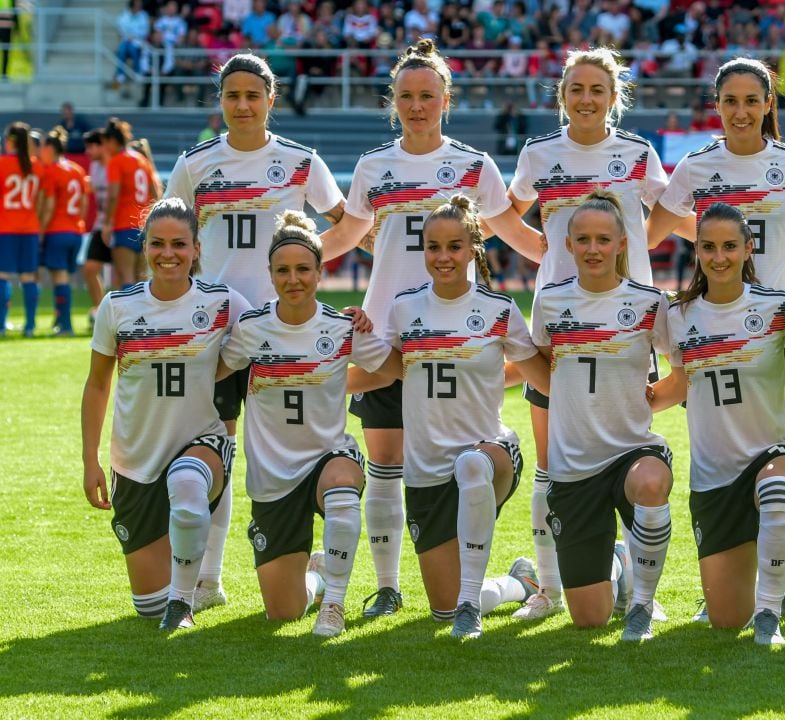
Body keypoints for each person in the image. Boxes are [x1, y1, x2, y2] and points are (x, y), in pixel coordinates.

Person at [320, 39, 543, 618]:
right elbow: (345, 238)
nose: (416, 106)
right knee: (387, 467)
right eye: (406, 96)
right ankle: (388, 588)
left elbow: (508, 234)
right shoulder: (374, 166)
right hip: (386, 335)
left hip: (450, 332)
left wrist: (578, 265)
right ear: (392, 102)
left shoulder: (474, 166)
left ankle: (473, 583)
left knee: (458, 462)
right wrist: (290, 268)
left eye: (427, 96)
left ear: (446, 99)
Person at [646, 57, 785, 621]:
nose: (742, 111)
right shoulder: (698, 165)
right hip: (718, 323)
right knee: (723, 438)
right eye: (732, 101)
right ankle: (737, 579)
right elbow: (651, 233)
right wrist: (718, 255)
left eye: (753, 100)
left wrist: (770, 271)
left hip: (783, 330)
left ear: (769, 104)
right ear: (717, 106)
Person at [165, 51, 347, 614]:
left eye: (252, 95)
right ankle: (207, 579)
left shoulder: (300, 161)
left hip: (288, 333)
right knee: (215, 448)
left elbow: (346, 223)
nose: (242, 105)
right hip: (217, 335)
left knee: (294, 446)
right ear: (220, 101)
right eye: (231, 95)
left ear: (272, 98)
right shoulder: (195, 164)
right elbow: (169, 236)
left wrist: (309, 276)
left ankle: (309, 560)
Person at [507, 46, 668, 622]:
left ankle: (638, 581)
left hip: (624, 324)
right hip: (559, 323)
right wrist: (543, 251)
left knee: (631, 454)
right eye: (576, 89)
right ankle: (549, 586)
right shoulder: (539, 154)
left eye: (597, 89)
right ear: (561, 97)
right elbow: (505, 213)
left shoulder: (637, 154)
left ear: (613, 98)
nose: (586, 99)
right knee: (552, 460)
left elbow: (670, 211)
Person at [371, 195, 551, 639]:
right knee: (442, 611)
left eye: (454, 246)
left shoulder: (499, 310)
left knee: (471, 465)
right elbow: (392, 369)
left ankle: (472, 602)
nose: (443, 257)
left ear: (474, 248)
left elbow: (542, 379)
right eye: (433, 247)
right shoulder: (404, 308)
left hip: (489, 453)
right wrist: (341, 348)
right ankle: (518, 583)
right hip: (426, 469)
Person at [218, 211, 399, 637]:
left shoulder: (341, 328)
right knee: (284, 612)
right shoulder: (251, 328)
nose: (293, 278)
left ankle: (333, 604)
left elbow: (393, 370)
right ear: (270, 274)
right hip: (272, 475)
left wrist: (348, 366)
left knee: (341, 490)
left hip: (328, 457)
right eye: (283, 270)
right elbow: (214, 373)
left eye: (303, 269)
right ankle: (317, 577)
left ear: (320, 273)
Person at [649, 203, 785, 646]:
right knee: (725, 619)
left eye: (729, 246)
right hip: (714, 475)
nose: (719, 257)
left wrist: (778, 406)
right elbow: (681, 385)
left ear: (748, 249)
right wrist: (623, 408)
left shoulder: (778, 306)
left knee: (776, 490)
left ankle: (771, 613)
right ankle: (762, 599)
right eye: (708, 247)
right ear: (697, 252)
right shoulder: (678, 316)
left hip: (778, 454)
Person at [81, 198, 248, 631]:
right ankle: (178, 597)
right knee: (148, 608)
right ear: (145, 247)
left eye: (179, 243)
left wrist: (347, 322)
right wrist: (89, 461)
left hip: (202, 443)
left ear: (196, 248)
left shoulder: (225, 303)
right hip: (136, 462)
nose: (168, 253)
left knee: (188, 482)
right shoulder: (117, 306)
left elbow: (281, 327)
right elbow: (98, 384)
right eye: (158, 243)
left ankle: (187, 599)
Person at [532, 189, 674, 642]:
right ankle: (618, 564)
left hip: (632, 451)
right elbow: (540, 364)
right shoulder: (550, 301)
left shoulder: (651, 302)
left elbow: (684, 369)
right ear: (568, 245)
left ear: (622, 244)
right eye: (584, 239)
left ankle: (643, 606)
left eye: (603, 239)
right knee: (590, 618)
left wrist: (647, 401)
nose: (593, 249)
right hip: (574, 466)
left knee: (651, 482)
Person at [39, 126, 90, 336]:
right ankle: (60, 319)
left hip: (57, 230)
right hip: (75, 230)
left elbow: (49, 205)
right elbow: (85, 202)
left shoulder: (52, 171)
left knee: (59, 278)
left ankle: (65, 324)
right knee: (65, 278)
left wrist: (41, 231)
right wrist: (79, 222)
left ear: (51, 148)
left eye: (43, 147)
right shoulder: (77, 170)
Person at [101, 117, 158, 289]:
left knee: (126, 277)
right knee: (141, 279)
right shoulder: (142, 160)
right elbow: (154, 193)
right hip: (144, 225)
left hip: (124, 224)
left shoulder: (117, 161)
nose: (105, 148)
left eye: (105, 144)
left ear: (112, 141)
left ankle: (131, 317)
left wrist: (107, 223)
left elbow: (113, 195)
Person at [0, 121, 43, 337]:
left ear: (9, 141)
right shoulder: (36, 166)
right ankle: (30, 325)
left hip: (5, 227)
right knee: (28, 278)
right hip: (29, 228)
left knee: (2, 275)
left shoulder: (3, 163)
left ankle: (1, 325)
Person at [82, 128, 113, 328]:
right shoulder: (94, 167)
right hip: (101, 225)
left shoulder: (115, 165)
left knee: (123, 274)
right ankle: (100, 311)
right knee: (90, 269)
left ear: (102, 145)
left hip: (118, 226)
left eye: (91, 147)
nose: (88, 152)